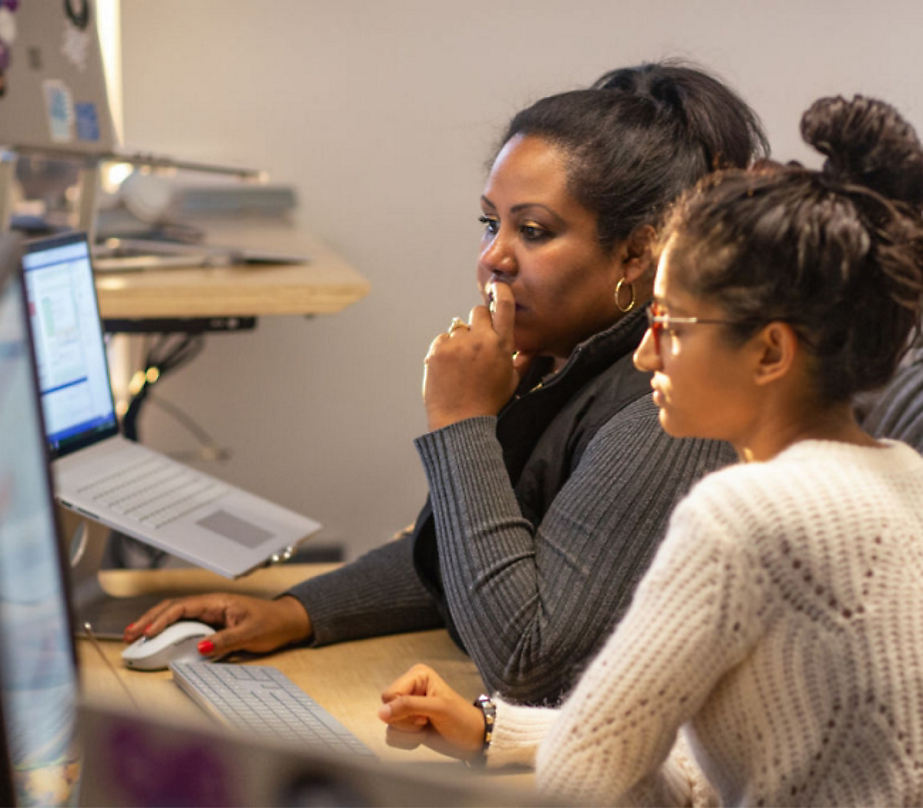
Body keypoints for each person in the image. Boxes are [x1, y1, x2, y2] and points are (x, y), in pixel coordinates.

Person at [125, 61, 768, 705]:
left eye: (534, 231)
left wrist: (463, 424)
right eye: (492, 223)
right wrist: (297, 612)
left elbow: (528, 665)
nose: (495, 256)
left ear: (634, 254)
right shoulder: (569, 361)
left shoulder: (663, 412)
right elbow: (472, 562)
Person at [378, 94, 923, 807]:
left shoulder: (737, 514)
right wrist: (498, 733)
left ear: (768, 351)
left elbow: (585, 776)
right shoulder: (903, 475)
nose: (643, 353)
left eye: (669, 324)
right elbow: (775, 746)